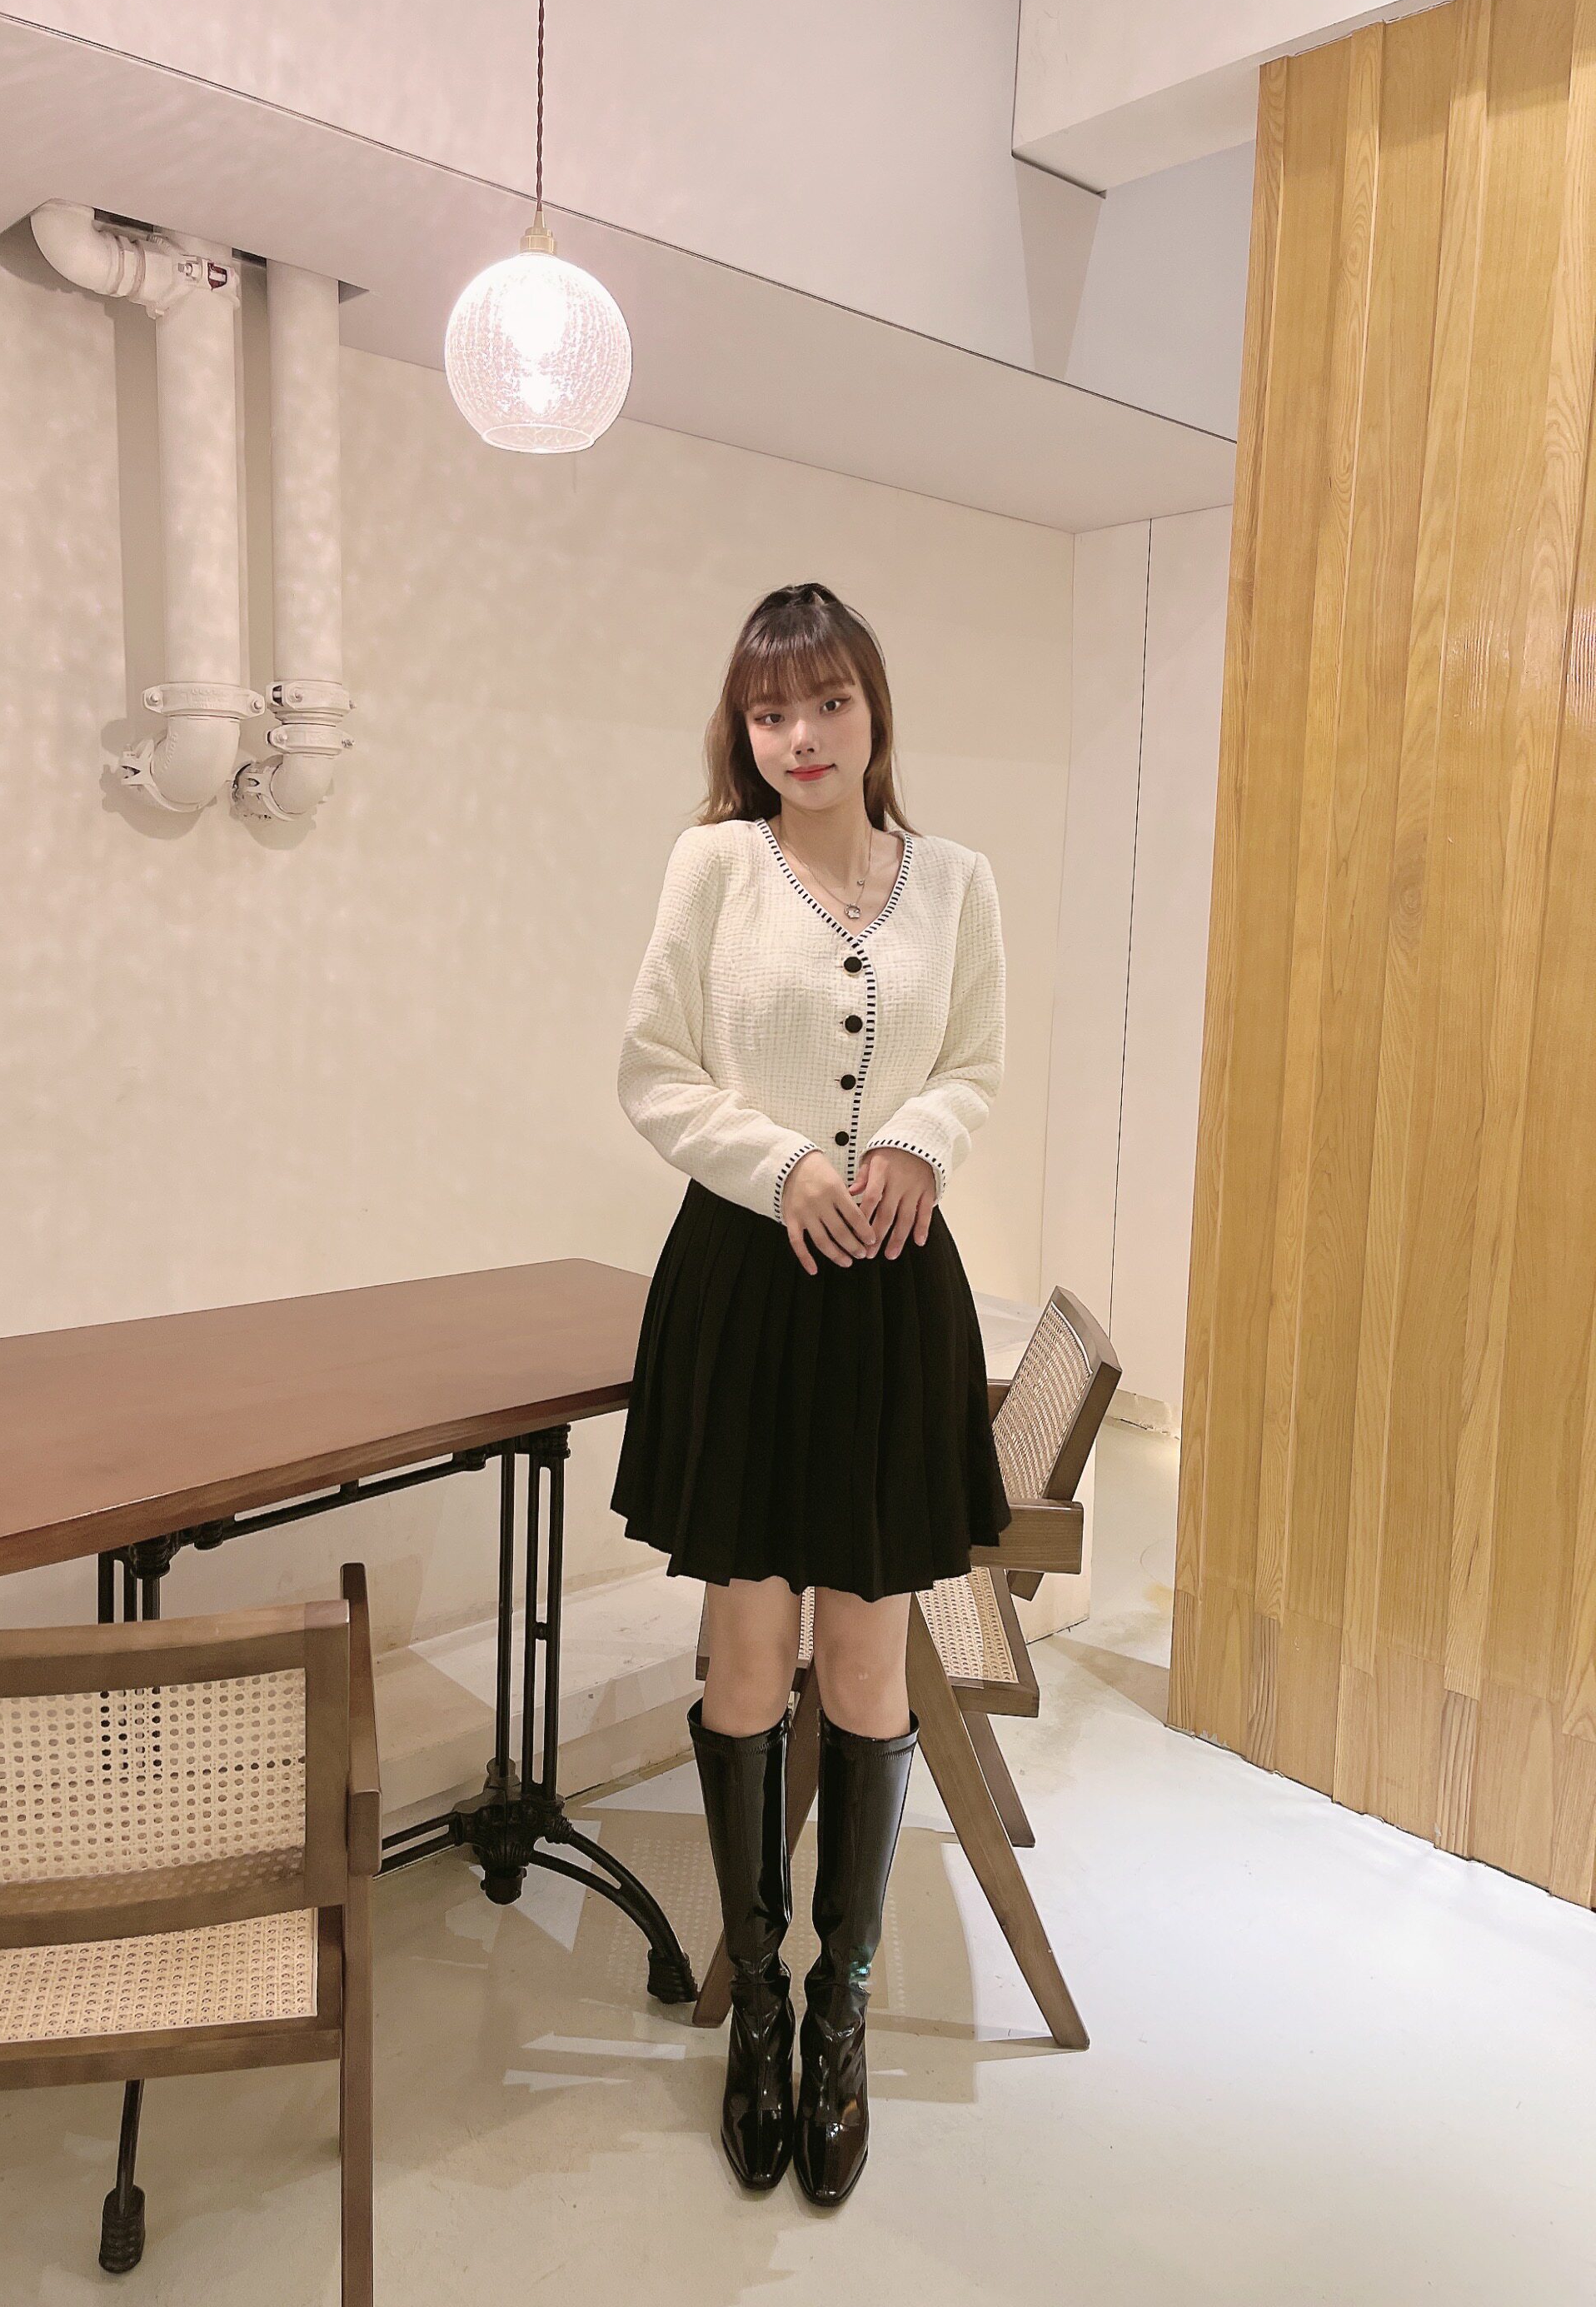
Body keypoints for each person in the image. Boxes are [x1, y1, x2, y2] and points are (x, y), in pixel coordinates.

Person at [609, 581, 1010, 2206]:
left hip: (891, 1299)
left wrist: (919, 1141)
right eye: (772, 712)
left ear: (873, 710)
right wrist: (782, 1165)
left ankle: (841, 2011)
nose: (802, 736)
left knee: (864, 1653)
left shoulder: (957, 881)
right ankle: (757, 2005)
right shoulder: (712, 867)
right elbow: (654, 1071)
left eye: (828, 702)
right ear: (744, 730)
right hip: (748, 1291)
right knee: (746, 1651)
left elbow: (973, 1061)